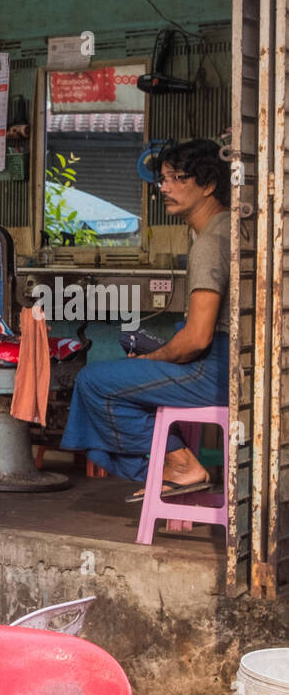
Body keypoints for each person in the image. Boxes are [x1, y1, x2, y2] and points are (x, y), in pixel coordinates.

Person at [61, 139, 231, 496]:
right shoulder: (228, 228)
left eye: (176, 178)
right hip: (231, 360)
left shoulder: (211, 242)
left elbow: (198, 338)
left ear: (209, 184)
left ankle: (178, 465)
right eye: (163, 179)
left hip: (215, 368)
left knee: (94, 381)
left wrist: (153, 358)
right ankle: (171, 462)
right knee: (129, 358)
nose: (164, 188)